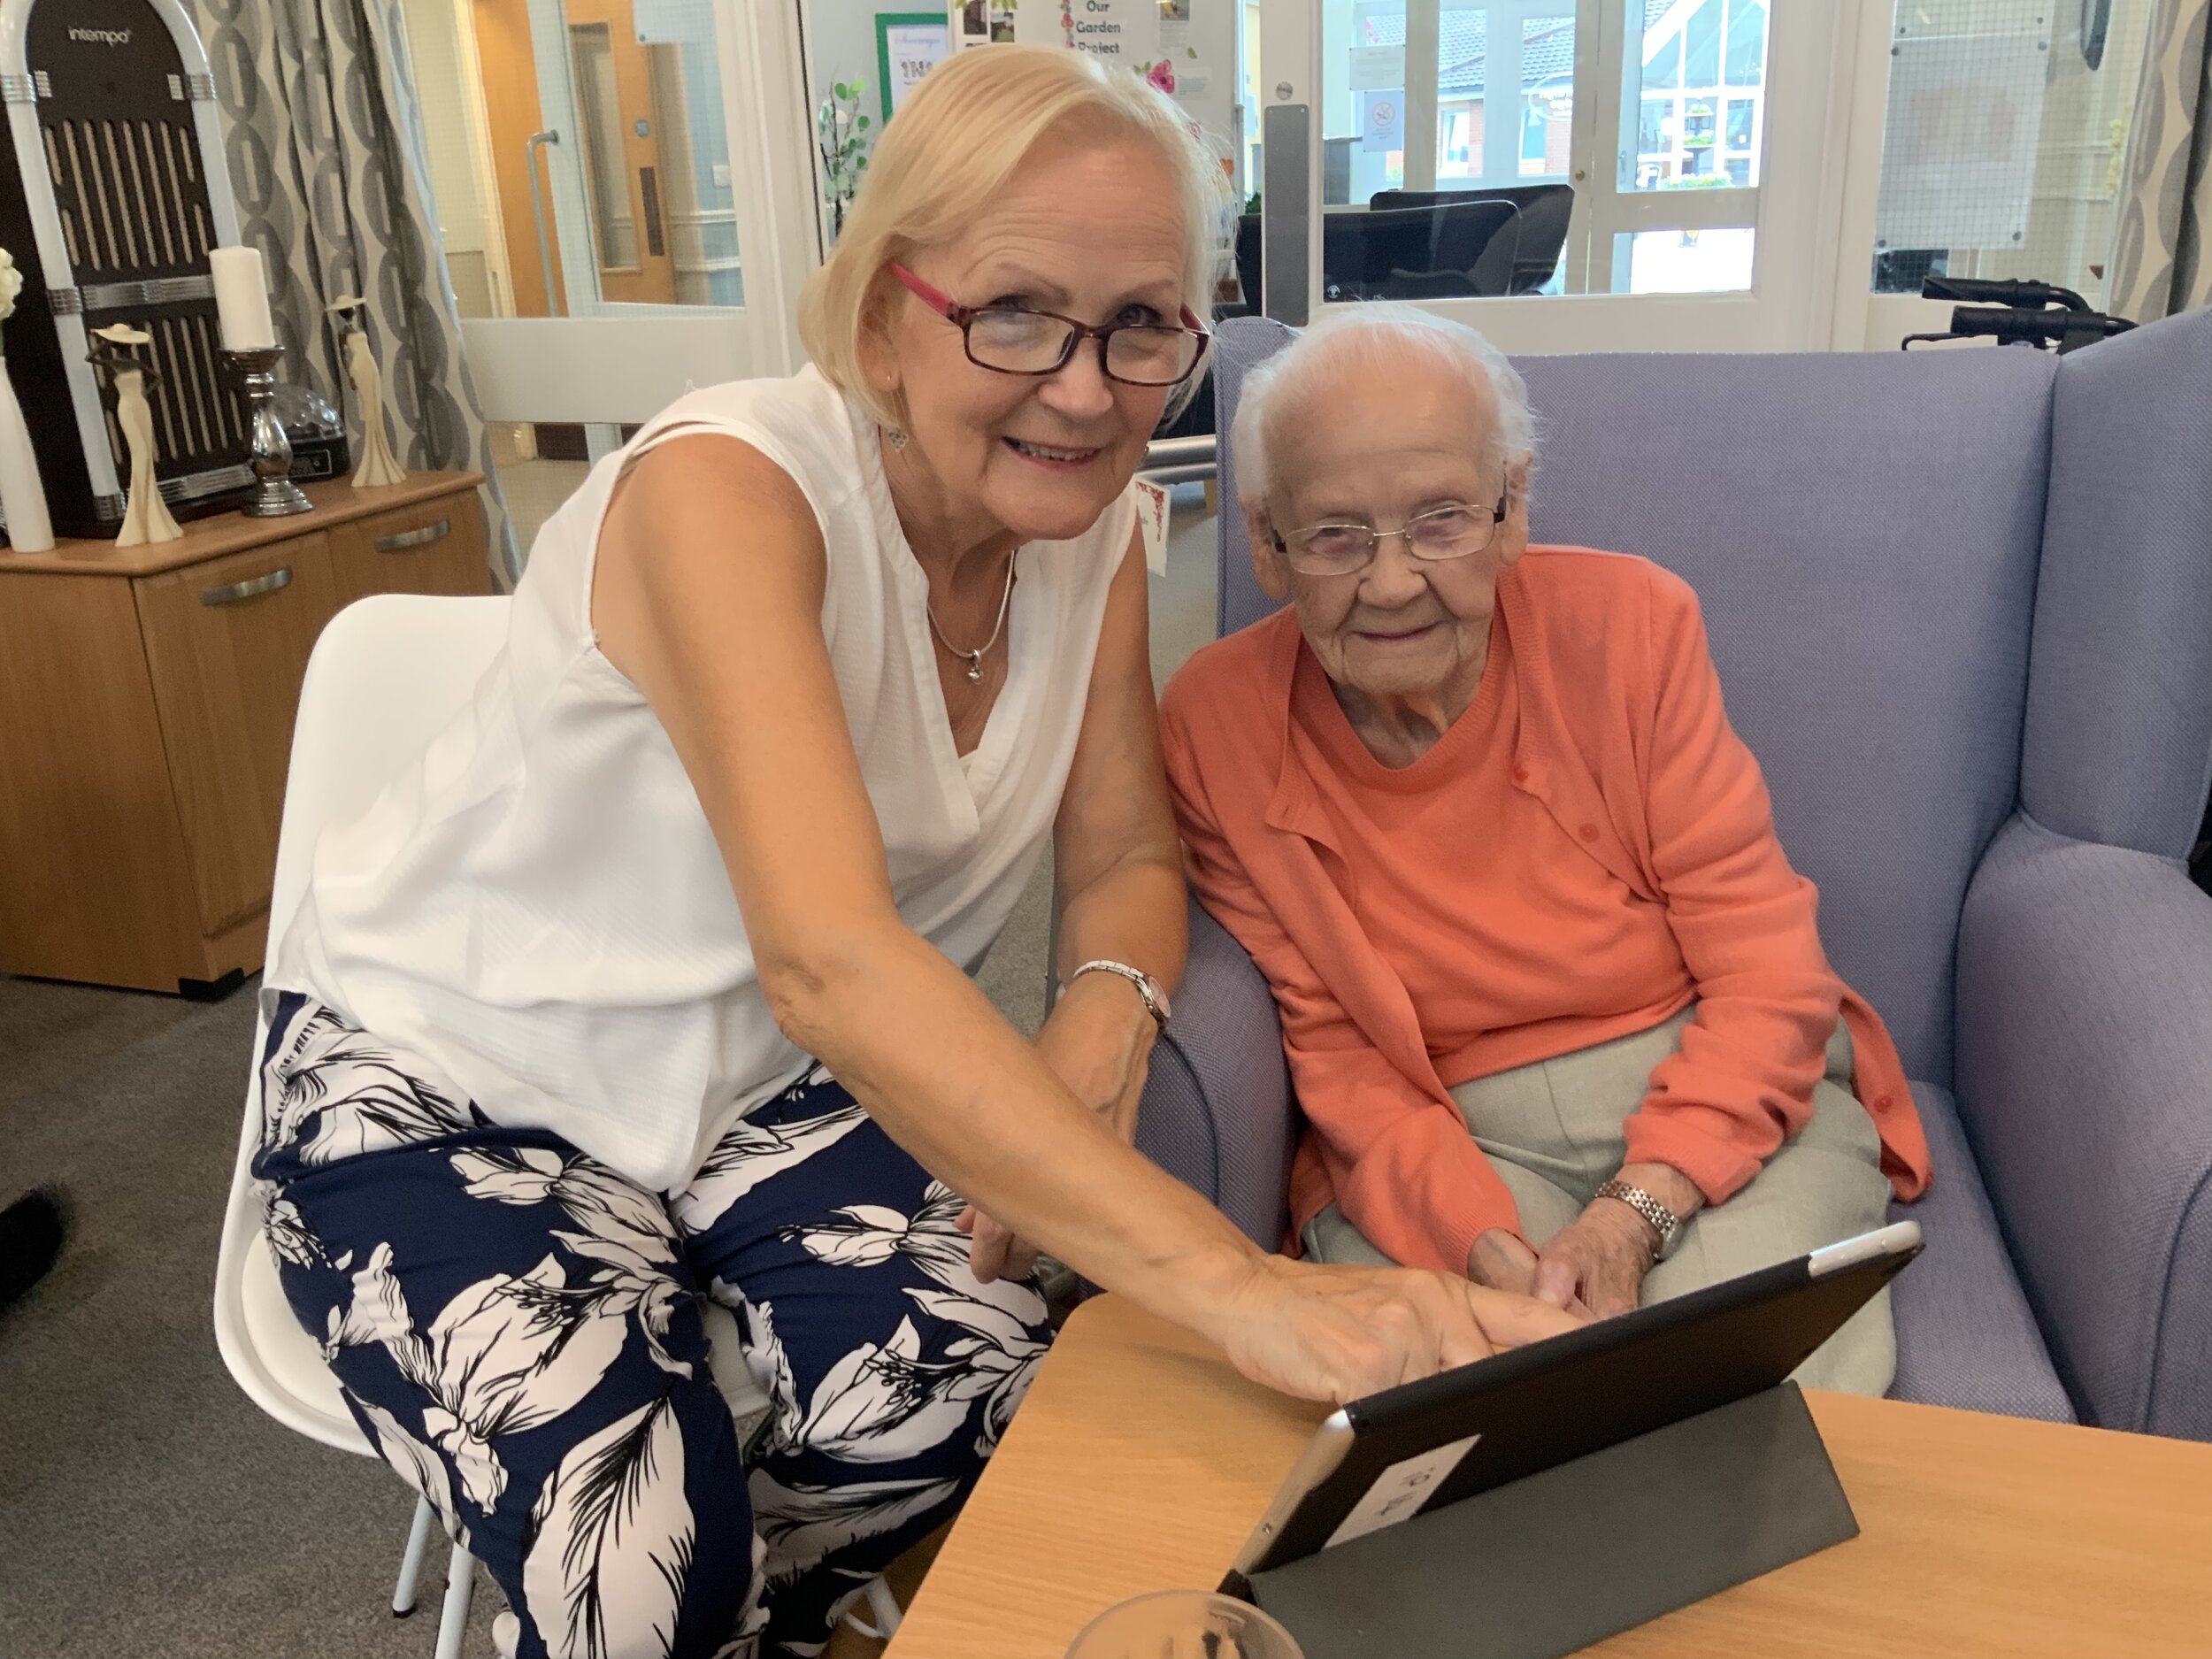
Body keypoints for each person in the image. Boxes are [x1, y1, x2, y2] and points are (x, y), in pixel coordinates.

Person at [253, 54, 1577, 1659]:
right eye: (1012, 312)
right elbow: (829, 956)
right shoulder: (731, 491)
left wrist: (1103, 1006)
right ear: (887, 314)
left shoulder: (1092, 530)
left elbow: (1126, 861)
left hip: (758, 1092)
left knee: (998, 1383)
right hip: (460, 1078)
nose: (1084, 390)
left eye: (1142, 324)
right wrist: (1245, 1286)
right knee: (640, 1557)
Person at [1159, 307, 1932, 1394]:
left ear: (1511, 508)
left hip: (1706, 1070)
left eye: (1441, 521)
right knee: (1464, 1383)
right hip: (1455, 1132)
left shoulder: (1633, 627)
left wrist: (1635, 1213)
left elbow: (1766, 970)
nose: (1389, 585)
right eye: (1334, 534)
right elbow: (1332, 1049)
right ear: (1265, 544)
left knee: (1748, 1380)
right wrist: (1476, 1237)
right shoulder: (1213, 720)